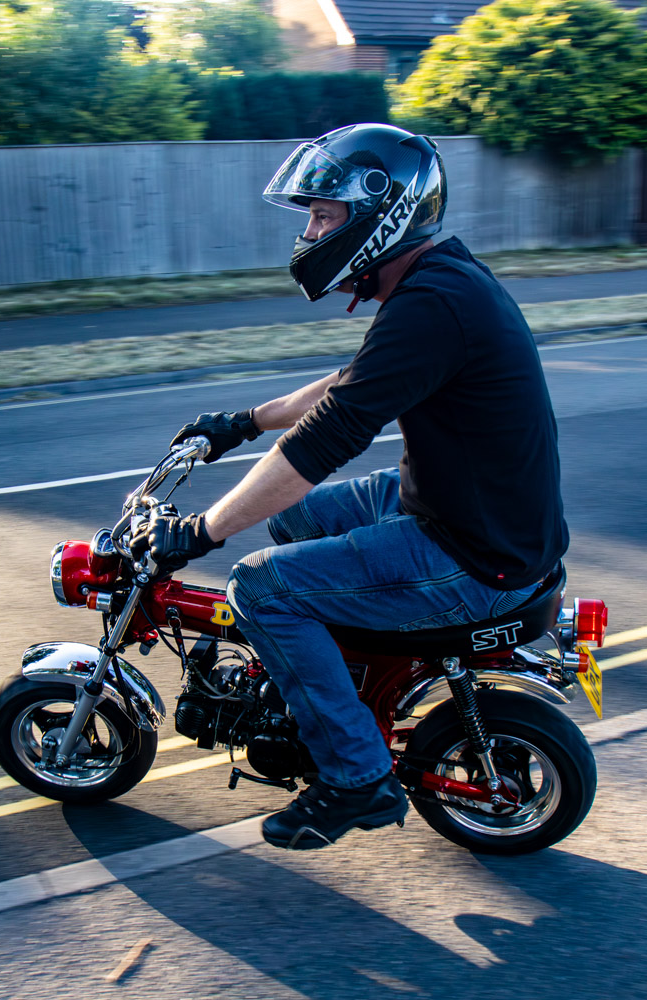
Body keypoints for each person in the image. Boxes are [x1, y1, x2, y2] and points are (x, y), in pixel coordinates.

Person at [132, 123, 569, 850]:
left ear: (381, 215)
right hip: (469, 509)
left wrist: (202, 531)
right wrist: (245, 422)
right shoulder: (439, 281)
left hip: (476, 554)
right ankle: (339, 682)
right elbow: (352, 384)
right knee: (296, 521)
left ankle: (355, 775)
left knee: (258, 587)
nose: (309, 234)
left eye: (322, 216)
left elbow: (326, 438)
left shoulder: (433, 303)